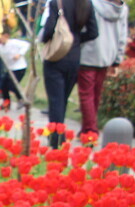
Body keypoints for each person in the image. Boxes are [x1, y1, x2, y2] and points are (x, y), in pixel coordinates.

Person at [38, 0, 96, 147]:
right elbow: (94, 32)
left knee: (55, 100)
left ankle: (57, 137)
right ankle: (59, 133)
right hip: (74, 56)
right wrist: (75, 39)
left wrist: (46, 39)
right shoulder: (86, 3)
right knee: (63, 99)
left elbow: (49, 28)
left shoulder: (57, 2)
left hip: (57, 56)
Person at [77, 0, 127, 143]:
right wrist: (117, 58)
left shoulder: (90, 4)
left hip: (88, 53)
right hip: (108, 56)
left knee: (86, 95)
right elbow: (122, 36)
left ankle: (91, 130)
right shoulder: (122, 9)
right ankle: (86, 127)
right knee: (95, 95)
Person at [0, 26, 28, 107]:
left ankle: (21, 99)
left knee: (13, 85)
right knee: (3, 85)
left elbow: (26, 45)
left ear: (6, 36)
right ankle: (7, 102)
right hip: (10, 69)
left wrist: (19, 54)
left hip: (19, 67)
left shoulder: (13, 43)